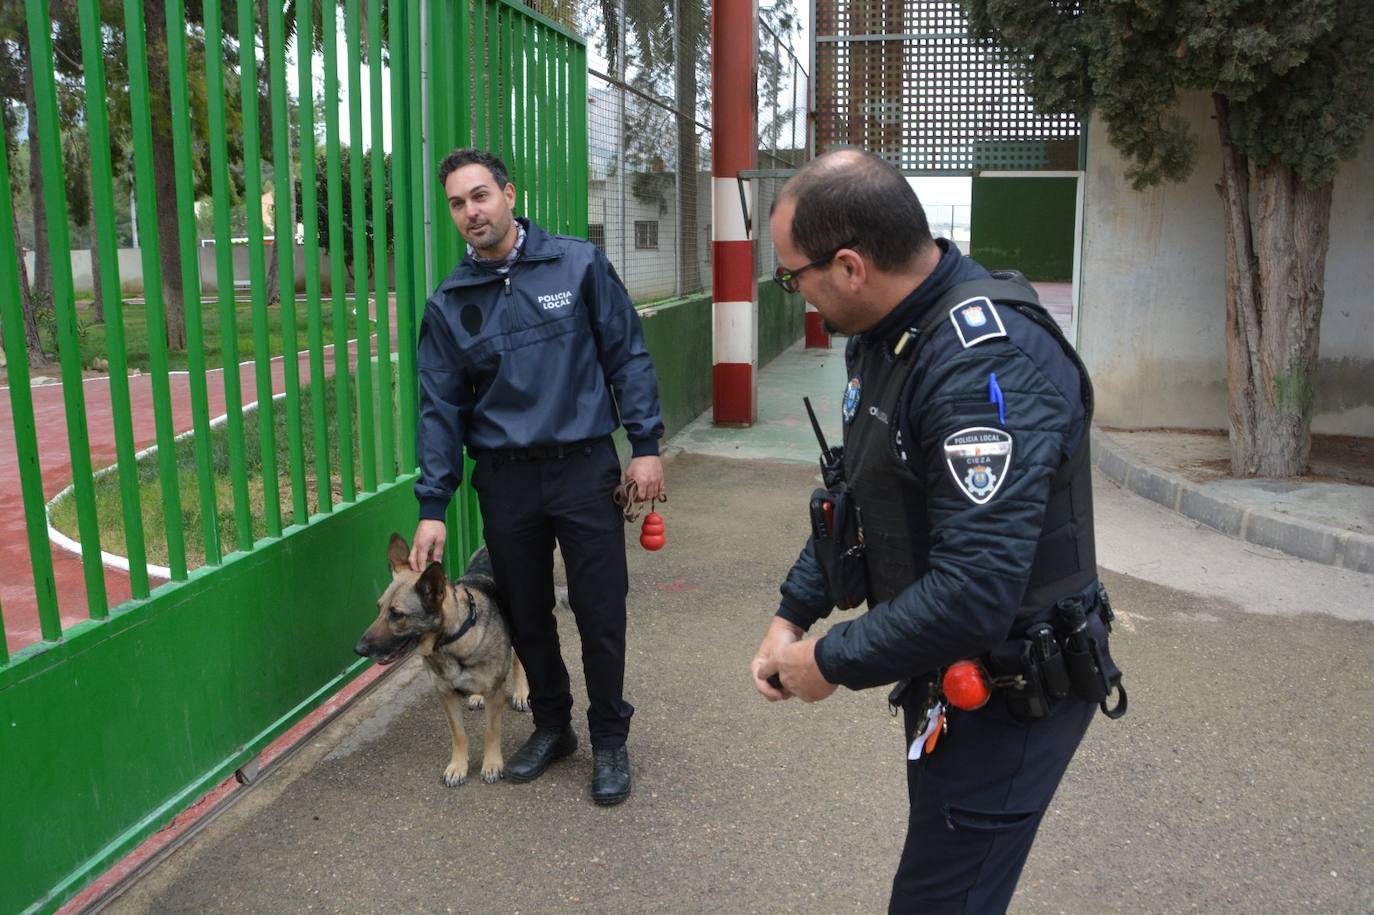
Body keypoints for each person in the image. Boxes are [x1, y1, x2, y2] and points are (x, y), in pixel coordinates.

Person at [750, 149, 1123, 912]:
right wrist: (793, 610)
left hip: (1011, 689)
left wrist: (829, 658)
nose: (796, 295)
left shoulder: (983, 369)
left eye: (794, 277)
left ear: (850, 266)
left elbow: (974, 592)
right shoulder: (889, 333)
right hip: (946, 672)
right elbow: (859, 495)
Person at [410, 148, 664, 807]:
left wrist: (645, 443)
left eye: (481, 196)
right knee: (527, 612)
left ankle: (609, 735)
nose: (472, 211)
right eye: (458, 203)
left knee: (599, 609)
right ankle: (554, 725)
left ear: (508, 194)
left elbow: (626, 351)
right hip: (506, 479)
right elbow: (439, 408)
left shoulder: (576, 264)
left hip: (584, 468)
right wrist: (433, 504)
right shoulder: (449, 303)